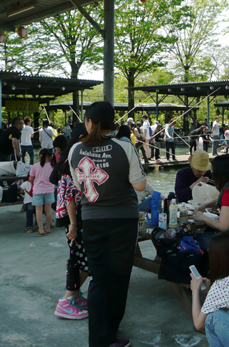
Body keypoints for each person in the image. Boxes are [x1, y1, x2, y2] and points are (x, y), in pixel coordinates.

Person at [68, 101, 147, 347]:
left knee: (99, 278)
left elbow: (79, 186)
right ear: (112, 123)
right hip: (124, 220)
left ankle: (99, 339)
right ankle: (110, 333)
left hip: (92, 220)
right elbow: (140, 186)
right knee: (119, 277)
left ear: (89, 122)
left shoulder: (75, 150)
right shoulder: (125, 147)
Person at [51, 123, 90, 320]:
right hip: (74, 218)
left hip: (72, 217)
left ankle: (75, 297)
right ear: (82, 137)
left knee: (79, 259)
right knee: (84, 261)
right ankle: (66, 301)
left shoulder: (67, 158)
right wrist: (73, 225)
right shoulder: (73, 160)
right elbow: (70, 197)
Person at [29, 149, 55, 237]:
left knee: (38, 211)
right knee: (48, 210)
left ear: (40, 156)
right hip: (49, 189)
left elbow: (31, 179)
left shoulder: (35, 166)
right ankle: (48, 228)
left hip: (38, 190)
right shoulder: (53, 166)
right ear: (50, 156)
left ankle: (40, 230)